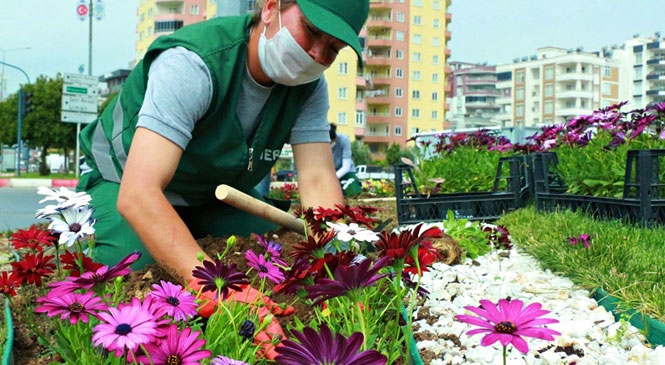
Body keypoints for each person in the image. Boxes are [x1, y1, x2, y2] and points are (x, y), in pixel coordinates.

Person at [76, 0, 369, 358]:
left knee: (275, 256)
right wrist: (215, 288)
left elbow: (318, 176)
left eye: (333, 50)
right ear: (271, 8)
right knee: (129, 275)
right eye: (311, 31)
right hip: (123, 180)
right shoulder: (192, 64)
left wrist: (346, 265)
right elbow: (139, 195)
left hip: (207, 196)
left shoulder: (308, 87)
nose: (316, 54)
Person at [329, 123, 362, 196]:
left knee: (352, 192)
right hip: (329, 172)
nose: (330, 144)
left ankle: (355, 183)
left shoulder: (344, 140)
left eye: (331, 142)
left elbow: (346, 167)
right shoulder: (319, 143)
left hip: (346, 171)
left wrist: (333, 179)